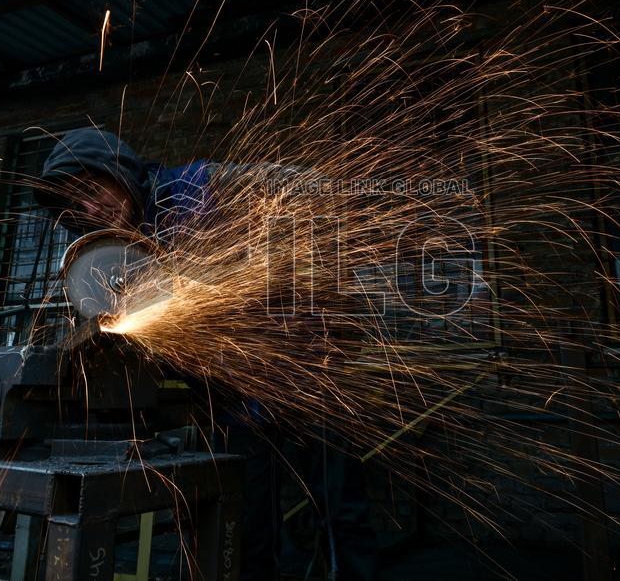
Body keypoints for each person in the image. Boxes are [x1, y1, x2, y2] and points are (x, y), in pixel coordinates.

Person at [36, 127, 379, 580]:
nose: (89, 209)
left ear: (115, 169)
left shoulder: (200, 183)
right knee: (248, 526)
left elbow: (311, 186)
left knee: (342, 515)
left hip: (312, 372)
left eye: (91, 190)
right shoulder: (120, 254)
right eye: (76, 206)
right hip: (237, 397)